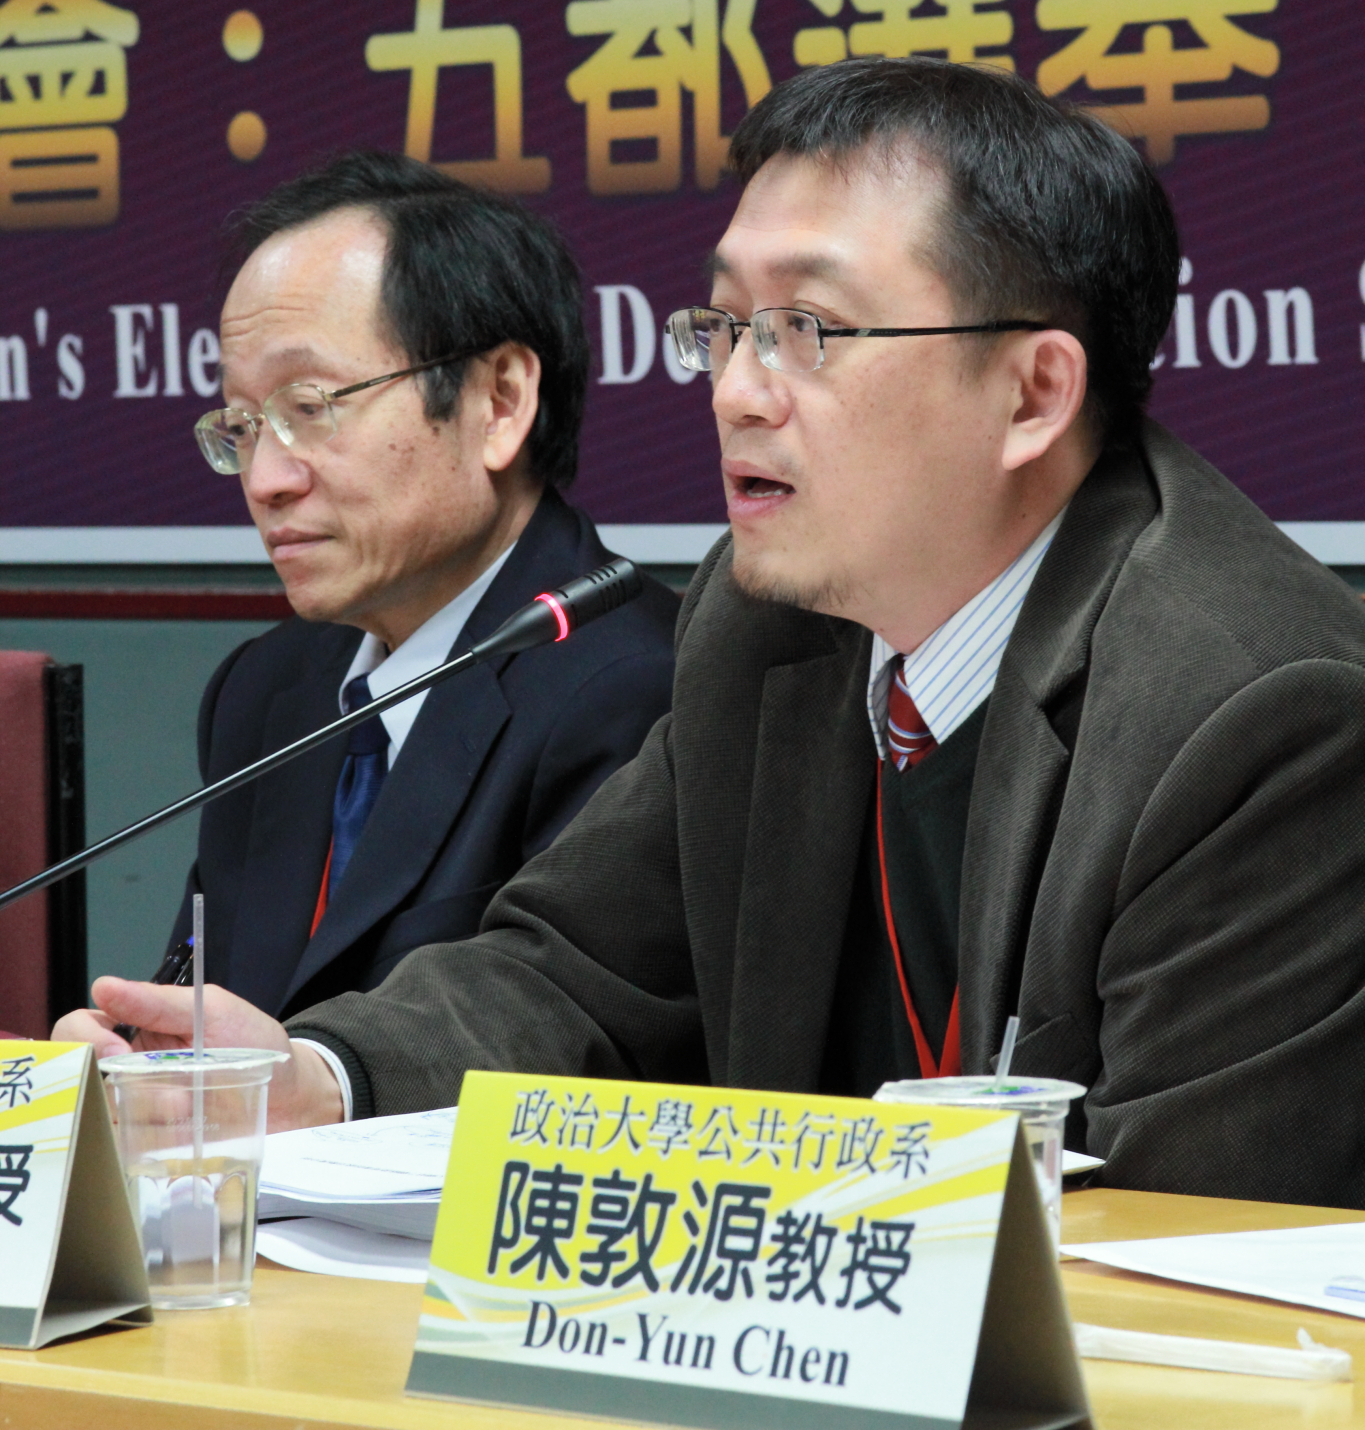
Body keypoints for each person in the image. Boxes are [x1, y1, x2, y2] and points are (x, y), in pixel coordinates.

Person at [63, 62, 1365, 1207]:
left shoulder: (1255, 708)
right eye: (725, 326)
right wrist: (319, 1075)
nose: (736, 389)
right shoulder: (769, 629)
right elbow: (575, 971)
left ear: (1032, 392)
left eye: (806, 329)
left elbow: (1190, 1239)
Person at [150, 150, 677, 1019]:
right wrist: (138, 1044)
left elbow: (558, 1034)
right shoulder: (267, 689)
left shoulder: (633, 695)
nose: (265, 479)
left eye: (309, 408)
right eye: (241, 425)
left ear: (497, 401)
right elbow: (205, 993)